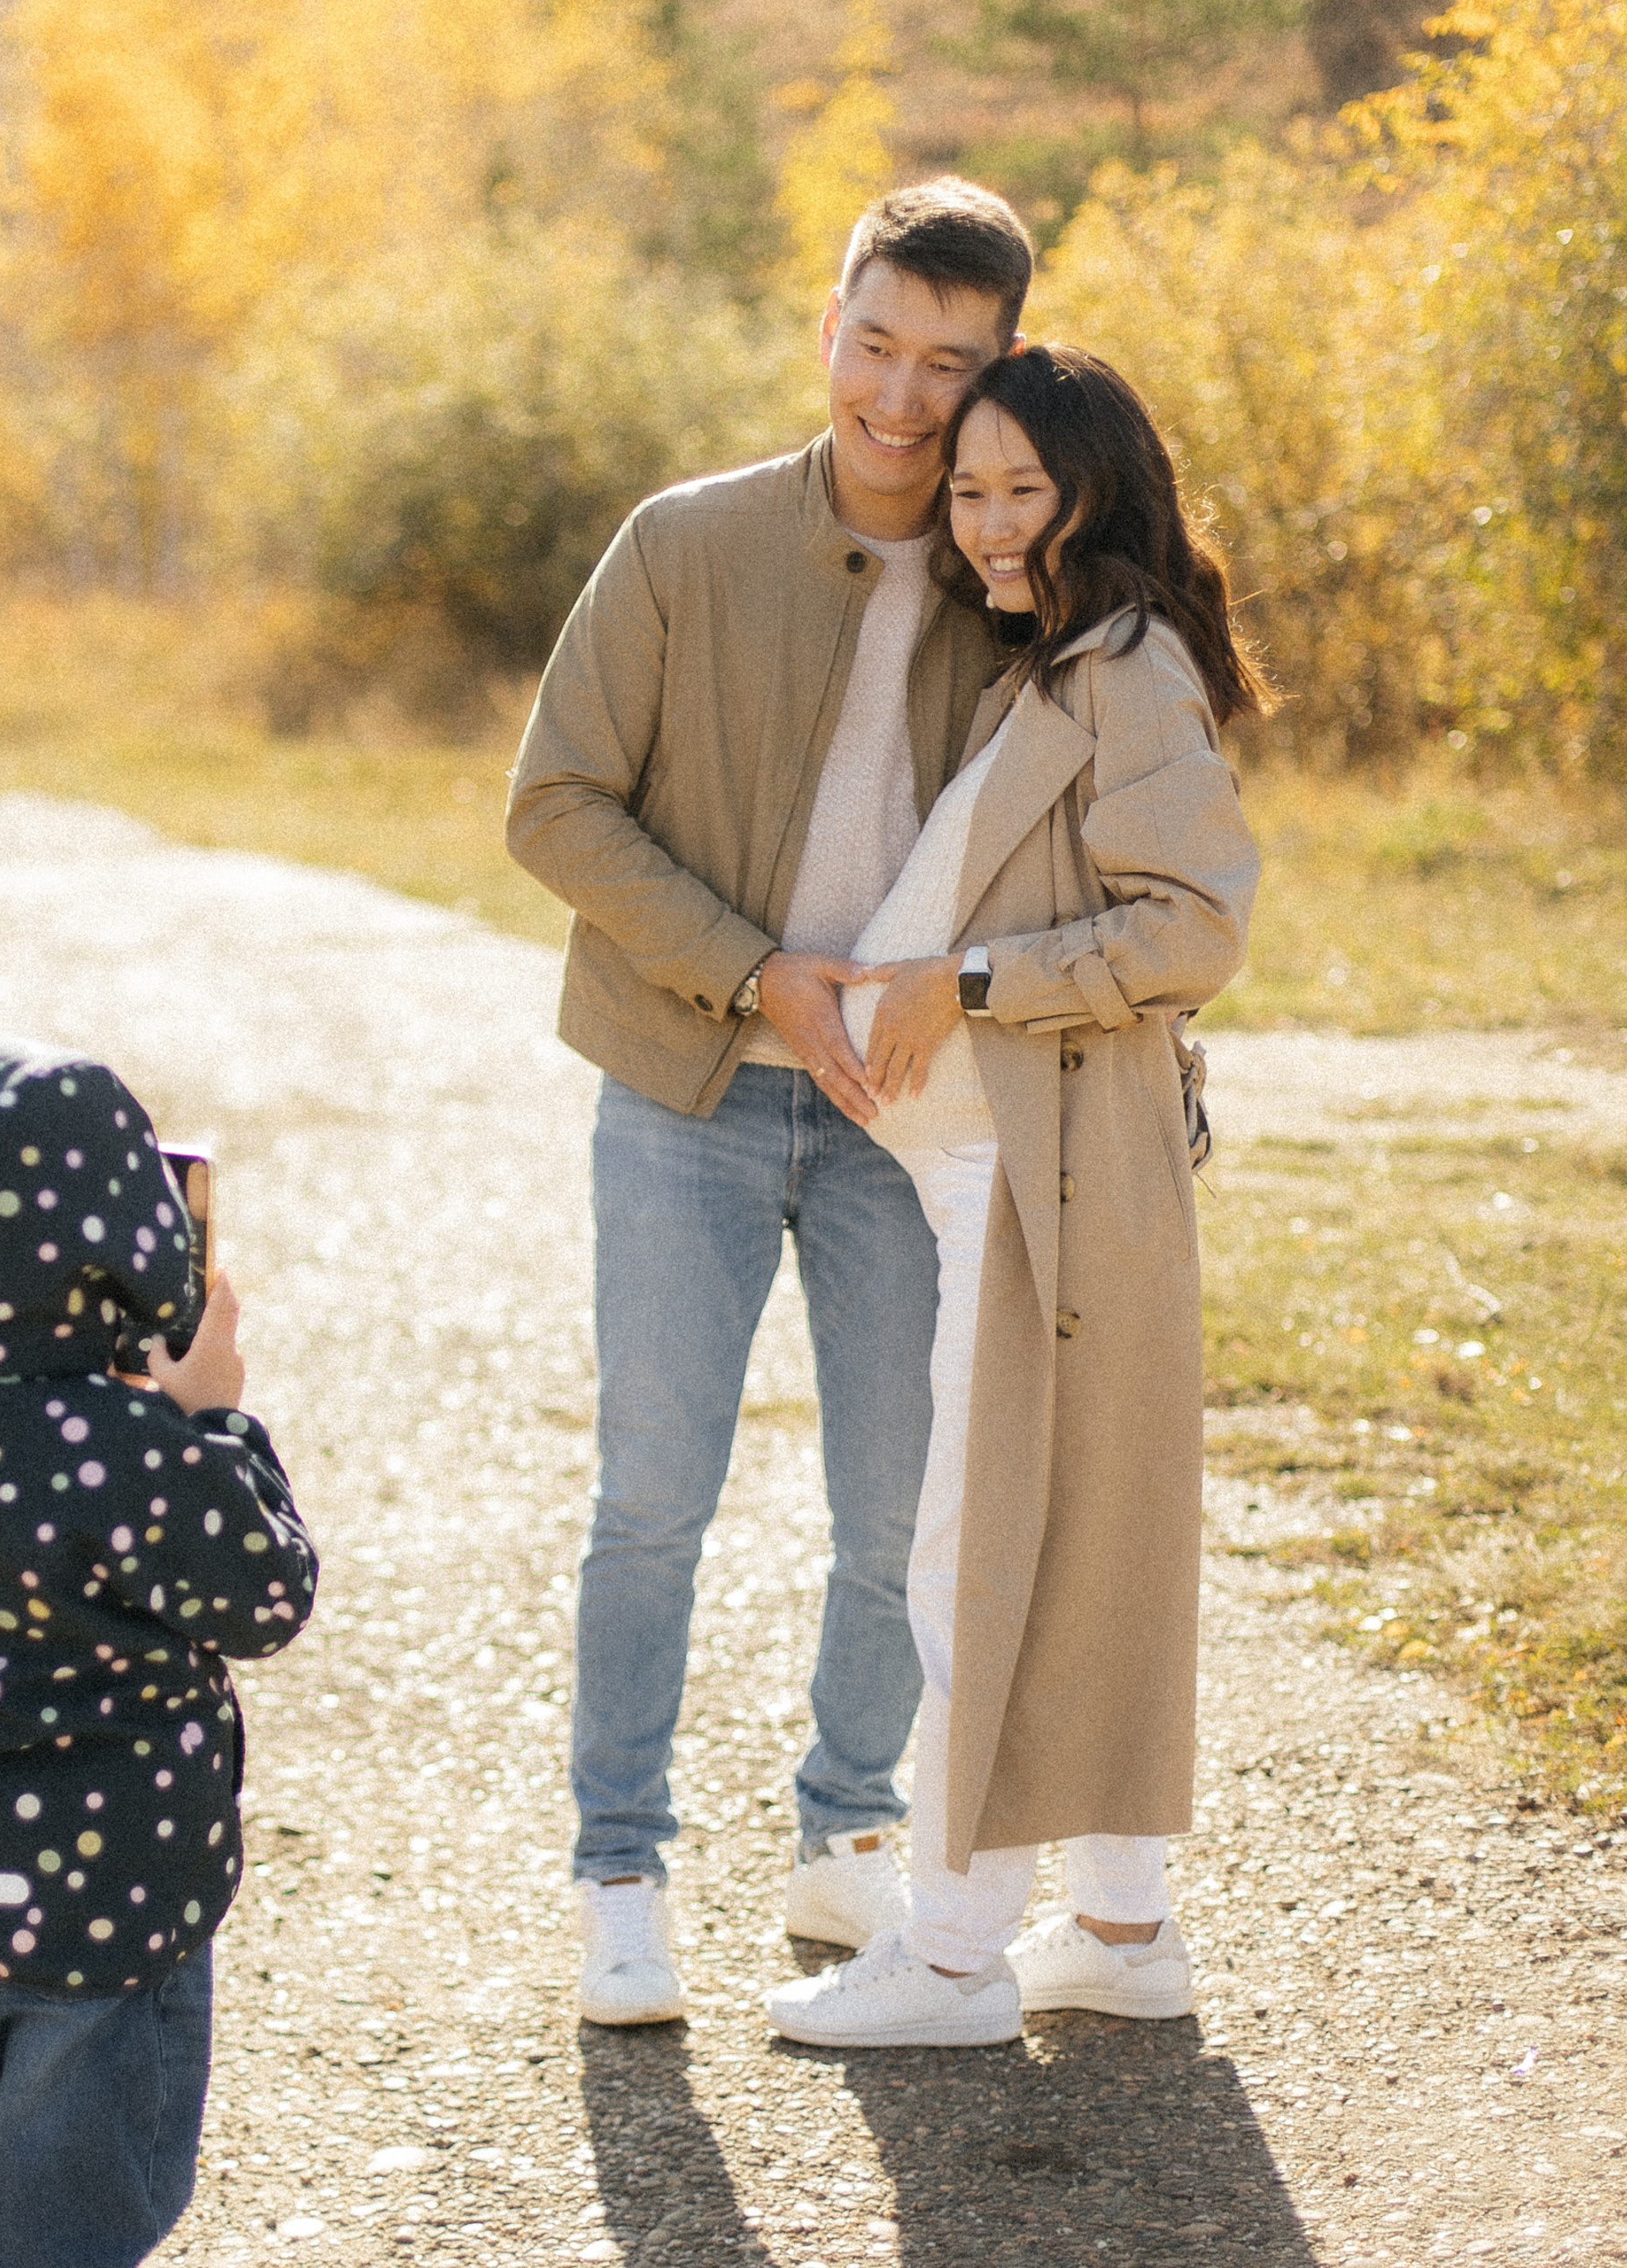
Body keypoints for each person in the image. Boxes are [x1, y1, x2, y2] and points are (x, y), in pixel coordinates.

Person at [506, 179, 1033, 2026]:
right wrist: (755, 970)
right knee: (654, 1495)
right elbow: (554, 803)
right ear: (827, 327)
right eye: (873, 344)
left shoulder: (1017, 581)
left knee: (899, 1514)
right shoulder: (684, 542)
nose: (898, 396)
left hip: (907, 1115)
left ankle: (843, 1832)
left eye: (946, 365)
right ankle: (619, 1873)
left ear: (997, 372)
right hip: (688, 1088)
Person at [763, 345, 1266, 2049]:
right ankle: (1121, 1933)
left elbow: (1192, 925)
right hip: (1007, 1172)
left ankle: (956, 1957)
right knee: (1077, 1546)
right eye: (969, 489)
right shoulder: (1056, 660)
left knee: (971, 1560)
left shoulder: (1127, 668)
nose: (984, 522)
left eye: (1021, 491)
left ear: (1094, 493)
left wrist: (965, 981)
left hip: (1043, 1182)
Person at [0, 1037, 316, 2264]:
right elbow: (267, 1595)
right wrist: (212, 1424)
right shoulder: (127, 1448)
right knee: (65, 2177)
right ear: (124, 1244)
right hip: (111, 1889)